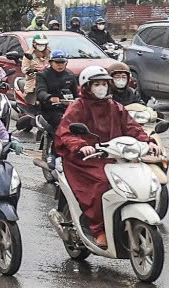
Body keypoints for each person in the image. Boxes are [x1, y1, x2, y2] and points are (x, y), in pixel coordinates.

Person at [53, 65, 158, 246]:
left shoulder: (114, 107)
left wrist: (148, 141)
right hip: (84, 160)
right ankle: (99, 229)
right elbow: (66, 132)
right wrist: (81, 146)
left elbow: (132, 127)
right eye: (96, 84)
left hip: (114, 156)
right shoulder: (78, 107)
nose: (101, 88)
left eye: (104, 84)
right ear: (87, 87)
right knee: (102, 184)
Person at [28, 49, 80, 133]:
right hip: (50, 109)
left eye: (62, 63)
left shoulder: (70, 75)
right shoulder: (43, 75)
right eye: (57, 63)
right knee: (62, 122)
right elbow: (40, 92)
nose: (60, 65)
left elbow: (76, 93)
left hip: (68, 108)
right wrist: (50, 98)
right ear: (51, 62)